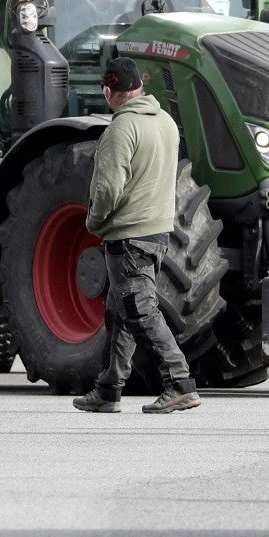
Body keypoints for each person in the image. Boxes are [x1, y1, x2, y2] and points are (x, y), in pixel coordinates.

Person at [72, 58, 201, 415]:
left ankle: (179, 383)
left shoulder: (121, 128)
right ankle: (108, 388)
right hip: (158, 232)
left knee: (139, 311)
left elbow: (109, 186)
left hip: (129, 234)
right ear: (140, 87)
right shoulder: (166, 123)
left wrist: (94, 222)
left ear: (109, 91)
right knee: (119, 312)